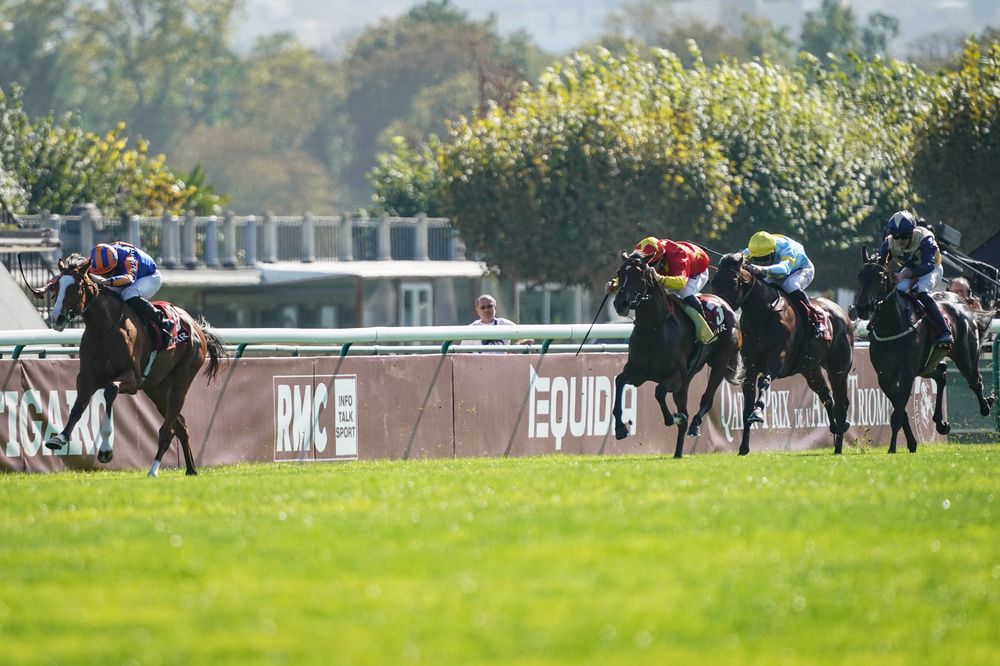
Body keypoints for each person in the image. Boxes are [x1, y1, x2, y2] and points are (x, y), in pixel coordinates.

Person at [609, 236, 715, 344]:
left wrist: (659, 278)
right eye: (647, 264)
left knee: (683, 293)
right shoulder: (643, 251)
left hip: (695, 272)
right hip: (671, 272)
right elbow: (632, 271)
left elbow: (681, 282)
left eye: (652, 264)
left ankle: (704, 332)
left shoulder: (679, 256)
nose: (649, 266)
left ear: (661, 257)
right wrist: (615, 283)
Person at [876, 210, 953, 345]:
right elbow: (879, 264)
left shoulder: (925, 238)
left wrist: (903, 274)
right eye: (896, 236)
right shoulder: (888, 242)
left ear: (912, 232)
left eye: (904, 236)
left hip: (932, 269)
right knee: (897, 291)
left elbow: (928, 266)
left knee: (920, 291)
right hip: (911, 269)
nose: (900, 240)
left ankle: (944, 330)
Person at [742, 230, 826, 339]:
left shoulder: (784, 248)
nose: (760, 262)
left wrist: (762, 269)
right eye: (756, 260)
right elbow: (738, 259)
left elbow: (784, 269)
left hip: (800, 270)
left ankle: (815, 320)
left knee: (790, 285)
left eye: (764, 259)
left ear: (773, 252)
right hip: (776, 273)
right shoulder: (751, 251)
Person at [88, 241, 172, 349]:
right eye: (101, 274)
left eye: (108, 272)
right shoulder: (96, 259)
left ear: (116, 263)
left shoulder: (128, 257)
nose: (104, 275)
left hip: (149, 277)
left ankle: (162, 321)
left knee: (127, 294)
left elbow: (129, 278)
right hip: (126, 277)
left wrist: (106, 281)